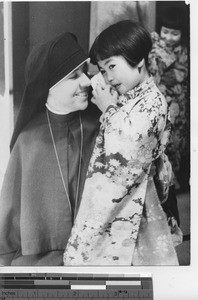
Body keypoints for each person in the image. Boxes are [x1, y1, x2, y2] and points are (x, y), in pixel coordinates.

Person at [63, 20, 180, 266]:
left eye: (112, 66)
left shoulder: (154, 102)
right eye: (103, 70)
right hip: (112, 191)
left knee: (125, 257)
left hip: (135, 197)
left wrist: (108, 109)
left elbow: (129, 147)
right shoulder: (129, 93)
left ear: (138, 60)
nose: (108, 77)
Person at [0, 32, 100, 266]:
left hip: (97, 250)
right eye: (74, 76)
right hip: (42, 257)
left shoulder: (100, 124)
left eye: (85, 72)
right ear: (49, 87)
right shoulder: (28, 140)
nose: (87, 81)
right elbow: (9, 222)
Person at [148, 6, 189, 190]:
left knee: (175, 139)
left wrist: (163, 76)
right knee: (158, 138)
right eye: (165, 32)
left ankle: (173, 181)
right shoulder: (154, 46)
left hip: (177, 103)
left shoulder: (183, 51)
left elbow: (180, 74)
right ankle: (159, 181)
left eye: (174, 34)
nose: (168, 37)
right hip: (159, 100)